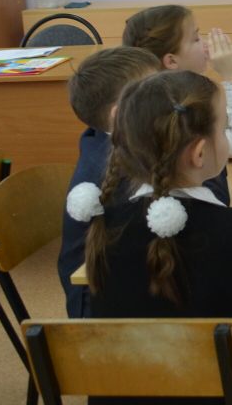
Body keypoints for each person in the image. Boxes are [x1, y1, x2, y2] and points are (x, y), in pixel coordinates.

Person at [72, 70, 232, 405]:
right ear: (199, 154)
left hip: (127, 396)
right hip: (224, 396)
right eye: (224, 128)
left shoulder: (103, 225)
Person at [56, 46, 161, 318]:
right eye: (156, 92)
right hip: (106, 314)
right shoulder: (119, 175)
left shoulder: (107, 140)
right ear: (120, 115)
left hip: (125, 288)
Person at [123, 4, 232, 163]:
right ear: (171, 61)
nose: (206, 45)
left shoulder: (188, 91)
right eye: (196, 39)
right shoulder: (168, 110)